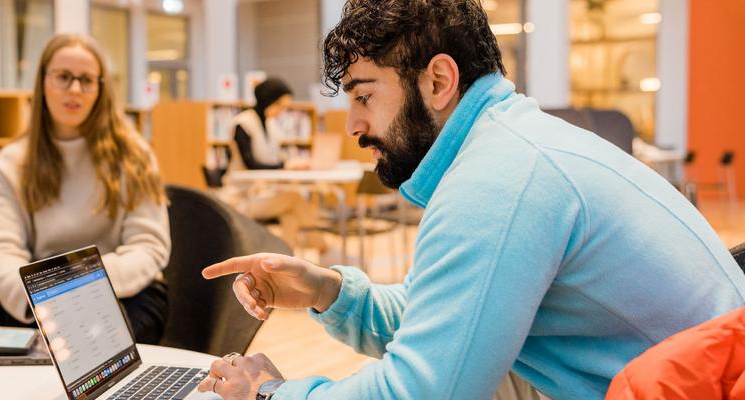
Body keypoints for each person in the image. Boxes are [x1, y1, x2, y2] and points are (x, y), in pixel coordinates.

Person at [197, 1, 745, 399]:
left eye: (365, 95)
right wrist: (328, 291)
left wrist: (270, 395)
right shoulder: (512, 144)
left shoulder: (497, 181)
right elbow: (442, 317)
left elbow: (423, 393)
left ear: (438, 81)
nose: (354, 124)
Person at [0, 33, 171, 344]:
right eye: (63, 77)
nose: (75, 90)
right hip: (39, 301)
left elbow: (148, 248)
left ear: (100, 89)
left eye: (86, 80)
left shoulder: (134, 155)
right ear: (43, 82)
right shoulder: (13, 162)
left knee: (94, 350)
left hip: (123, 293)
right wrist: (47, 295)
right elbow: (0, 251)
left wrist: (79, 285)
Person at [221, 78, 323, 250]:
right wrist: (285, 166)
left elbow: (276, 159)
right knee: (294, 199)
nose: (282, 111)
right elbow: (251, 164)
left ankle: (285, 259)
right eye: (281, 106)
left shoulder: (272, 125)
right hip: (241, 197)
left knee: (290, 214)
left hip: (263, 194)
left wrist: (291, 164)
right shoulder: (242, 124)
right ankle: (323, 248)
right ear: (269, 101)